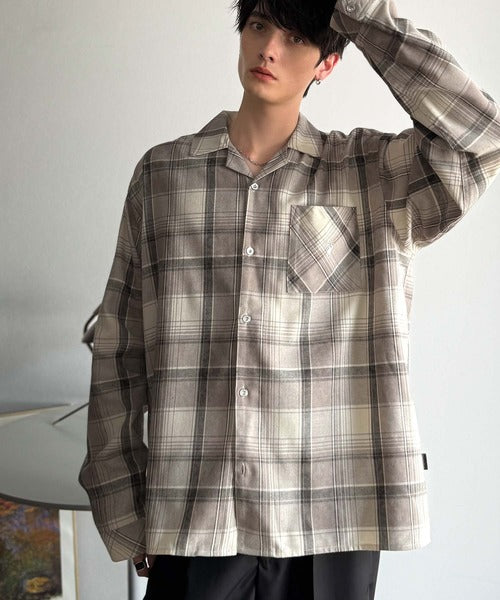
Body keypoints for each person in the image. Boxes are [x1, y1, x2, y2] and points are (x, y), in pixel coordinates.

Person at [78, 0, 500, 598]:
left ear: (326, 63)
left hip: (330, 518)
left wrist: (356, 10)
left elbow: (479, 138)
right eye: (258, 26)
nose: (270, 49)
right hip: (195, 512)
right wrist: (120, 503)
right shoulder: (163, 177)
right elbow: (120, 352)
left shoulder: (373, 175)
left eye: (297, 37)